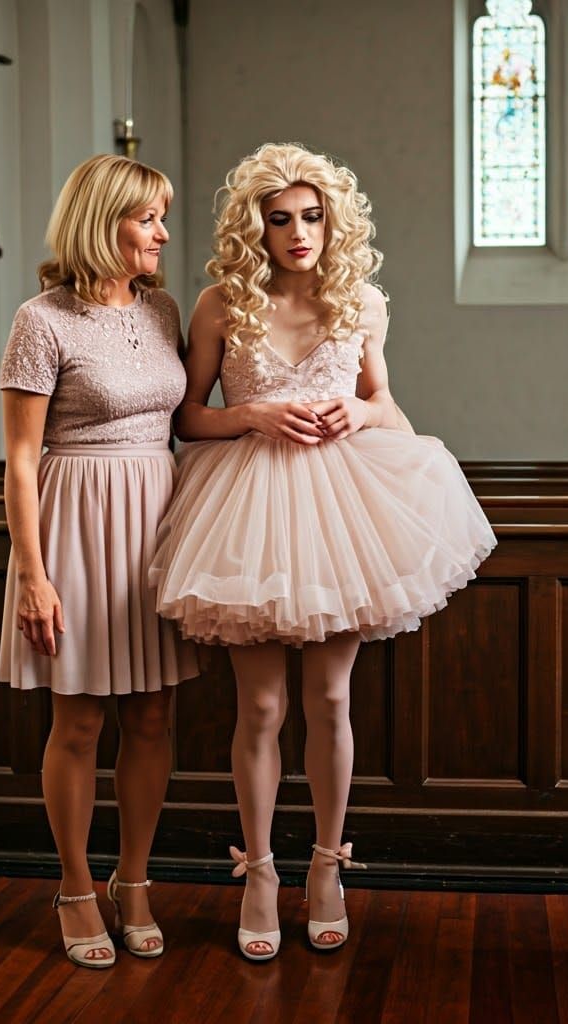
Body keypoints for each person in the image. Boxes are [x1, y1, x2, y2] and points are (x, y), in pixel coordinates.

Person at [150, 142, 496, 961]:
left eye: (312, 217)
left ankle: (328, 867)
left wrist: (358, 414)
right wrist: (256, 416)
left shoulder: (361, 303)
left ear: (332, 221)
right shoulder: (219, 304)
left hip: (343, 511)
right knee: (263, 708)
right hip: (246, 508)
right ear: (255, 228)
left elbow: (388, 406)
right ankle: (261, 872)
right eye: (281, 219)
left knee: (331, 702)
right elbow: (188, 417)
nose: (299, 232)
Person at [0, 154, 197, 968]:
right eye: (147, 217)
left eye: (162, 217)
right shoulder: (40, 319)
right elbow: (18, 458)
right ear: (102, 220)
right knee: (77, 718)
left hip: (158, 517)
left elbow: (188, 421)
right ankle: (75, 886)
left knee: (153, 713)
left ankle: (134, 881)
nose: (162, 232)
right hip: (74, 520)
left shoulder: (164, 311)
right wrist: (34, 574)